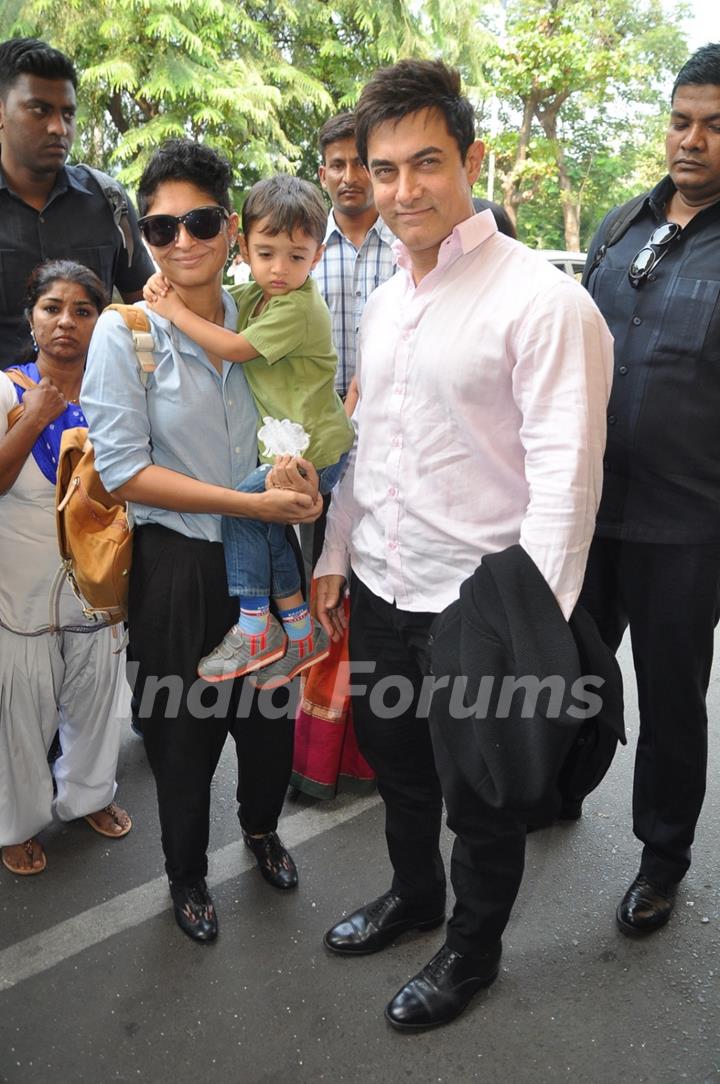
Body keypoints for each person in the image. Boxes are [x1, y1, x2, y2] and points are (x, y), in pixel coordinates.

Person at [313, 59, 613, 1030]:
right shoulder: (396, 297)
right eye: (384, 169)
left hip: (482, 604)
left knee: (483, 796)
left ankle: (471, 952)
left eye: (425, 164)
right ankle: (416, 896)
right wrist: (333, 555)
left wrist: (533, 629)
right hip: (386, 586)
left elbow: (568, 479)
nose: (402, 191)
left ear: (471, 159)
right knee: (398, 766)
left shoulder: (543, 303)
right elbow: (373, 442)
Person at [81, 138, 322, 943]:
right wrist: (243, 506)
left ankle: (261, 831)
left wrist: (304, 484)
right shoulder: (128, 333)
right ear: (143, 239)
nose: (182, 241)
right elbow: (122, 472)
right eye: (160, 228)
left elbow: (306, 421)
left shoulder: (266, 316)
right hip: (178, 569)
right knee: (181, 743)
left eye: (201, 221)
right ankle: (186, 877)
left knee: (268, 727)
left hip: (269, 558)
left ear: (230, 226)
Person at [579, 42, 720, 937]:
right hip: (588, 510)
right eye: (681, 121)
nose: (693, 141)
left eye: (714, 127)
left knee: (671, 699)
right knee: (569, 669)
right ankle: (558, 786)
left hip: (686, 525)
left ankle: (661, 860)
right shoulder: (618, 226)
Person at [142, 173, 354, 688]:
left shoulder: (299, 308)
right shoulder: (258, 296)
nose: (280, 270)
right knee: (265, 521)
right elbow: (214, 298)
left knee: (240, 509)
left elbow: (232, 348)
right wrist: (164, 286)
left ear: (317, 257)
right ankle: (300, 630)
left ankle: (256, 625)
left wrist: (168, 309)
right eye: (266, 254)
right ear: (243, 247)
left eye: (296, 257)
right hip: (290, 448)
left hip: (315, 453)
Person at [0, 259, 132, 876]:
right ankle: (19, 824)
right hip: (21, 593)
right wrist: (34, 417)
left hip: (99, 585)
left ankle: (88, 797)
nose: (66, 323)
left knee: (98, 698)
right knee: (22, 710)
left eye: (83, 311)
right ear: (31, 317)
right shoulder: (5, 389)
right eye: (53, 307)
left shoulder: (116, 396)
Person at [0, 37, 154, 369]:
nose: (59, 127)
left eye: (67, 113)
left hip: (99, 410)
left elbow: (146, 313)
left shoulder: (109, 203)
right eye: (40, 109)